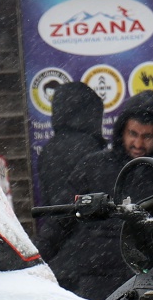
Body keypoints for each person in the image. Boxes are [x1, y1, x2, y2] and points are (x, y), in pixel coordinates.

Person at [52, 90, 153, 300]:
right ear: (122, 132)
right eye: (133, 134)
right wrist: (33, 259)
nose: (138, 144)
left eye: (147, 136)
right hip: (96, 280)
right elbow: (61, 221)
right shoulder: (93, 165)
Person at [34, 81, 105, 263]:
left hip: (56, 240)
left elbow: (51, 199)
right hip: (86, 245)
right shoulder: (89, 148)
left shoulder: (49, 149)